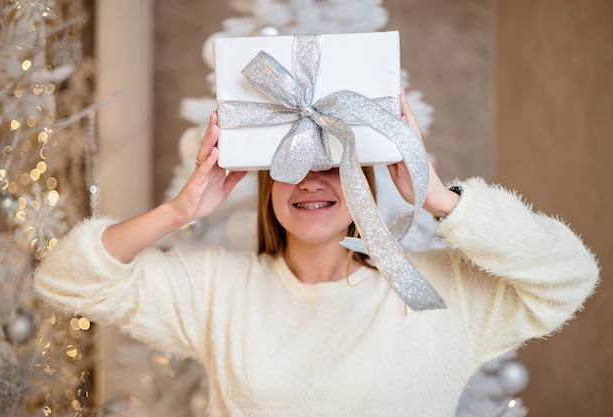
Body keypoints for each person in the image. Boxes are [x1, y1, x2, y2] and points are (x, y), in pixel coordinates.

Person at [34, 91, 599, 417]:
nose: (311, 181)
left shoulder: (442, 292)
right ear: (267, 184)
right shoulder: (217, 290)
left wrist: (440, 198)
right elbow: (66, 281)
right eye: (292, 164)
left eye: (334, 163)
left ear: (365, 185)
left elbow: (570, 276)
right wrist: (175, 213)